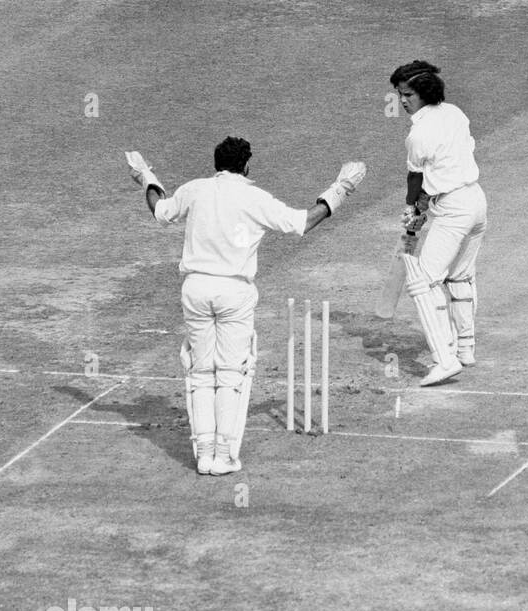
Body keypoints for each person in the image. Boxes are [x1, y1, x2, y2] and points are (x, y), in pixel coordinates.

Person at [126, 139, 364, 475]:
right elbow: (303, 222)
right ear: (247, 166)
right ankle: (223, 457)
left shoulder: (195, 190)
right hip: (233, 291)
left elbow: (160, 210)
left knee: (200, 372)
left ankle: (204, 454)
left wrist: (145, 175)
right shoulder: (255, 197)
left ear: (216, 164)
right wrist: (341, 189)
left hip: (195, 288)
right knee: (231, 372)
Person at [389, 61, 487, 387]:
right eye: (400, 95)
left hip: (453, 209)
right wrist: (419, 208)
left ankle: (444, 359)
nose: (403, 101)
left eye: (408, 95)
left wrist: (413, 210)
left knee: (423, 282)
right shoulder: (456, 113)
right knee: (459, 275)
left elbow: (416, 178)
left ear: (423, 92)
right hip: (476, 203)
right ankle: (466, 348)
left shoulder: (418, 133)